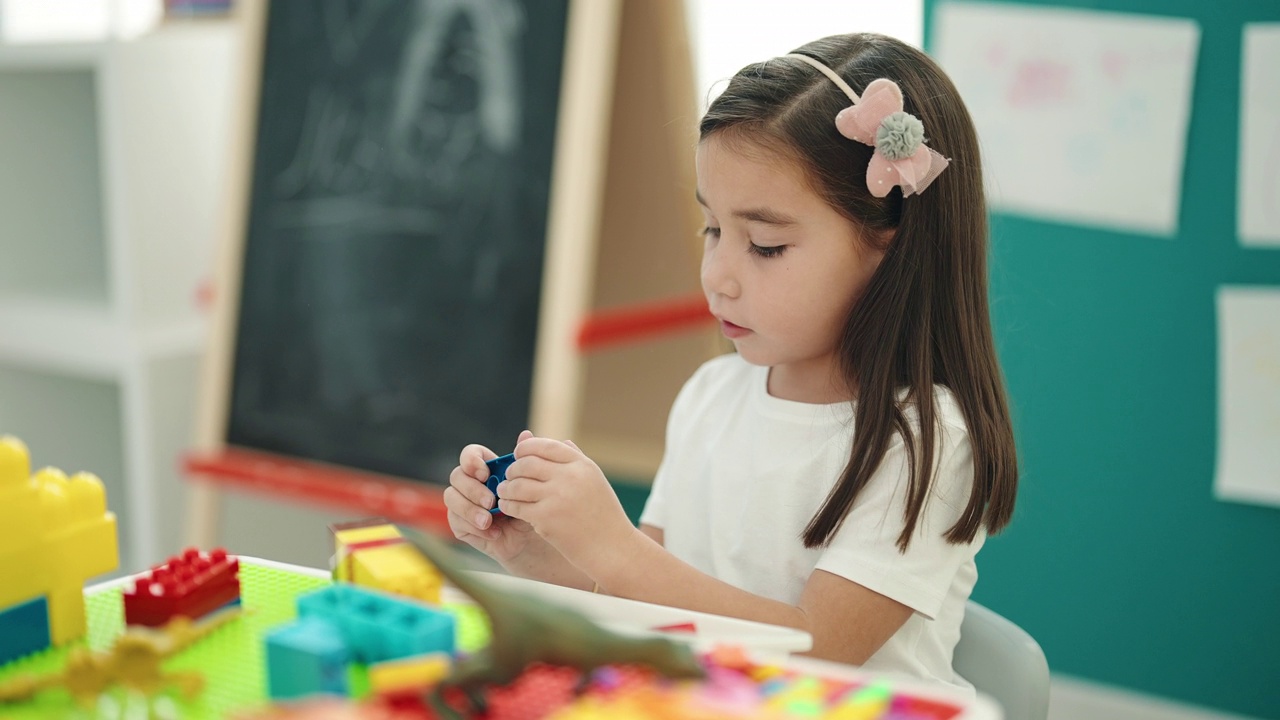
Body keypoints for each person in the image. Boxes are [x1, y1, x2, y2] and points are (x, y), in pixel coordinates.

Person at [442, 32, 1019, 692]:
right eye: (712, 230)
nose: (717, 276)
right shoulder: (713, 391)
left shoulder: (923, 440)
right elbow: (655, 593)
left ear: (887, 244)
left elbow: (817, 649)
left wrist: (612, 544)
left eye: (766, 245)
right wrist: (541, 551)